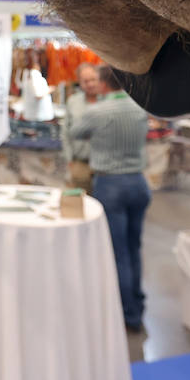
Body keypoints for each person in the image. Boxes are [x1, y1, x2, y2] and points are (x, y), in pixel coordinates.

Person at [71, 65, 151, 332]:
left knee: (119, 253)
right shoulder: (140, 108)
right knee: (134, 247)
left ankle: (128, 315)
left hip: (110, 183)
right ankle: (138, 304)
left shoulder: (97, 111)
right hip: (139, 182)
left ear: (103, 84)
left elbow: (75, 132)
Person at [64, 63, 101, 192]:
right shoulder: (73, 102)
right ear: (79, 82)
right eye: (85, 81)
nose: (90, 84)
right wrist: (69, 159)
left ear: (99, 78)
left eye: (93, 79)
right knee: (83, 204)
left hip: (105, 166)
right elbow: (65, 132)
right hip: (80, 163)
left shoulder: (108, 101)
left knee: (107, 203)